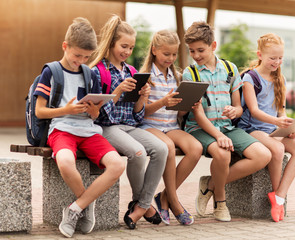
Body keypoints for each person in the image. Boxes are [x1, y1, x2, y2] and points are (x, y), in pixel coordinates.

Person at [34, 17, 125, 238]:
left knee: (117, 165)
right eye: (77, 55)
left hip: (88, 130)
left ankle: (76, 206)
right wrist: (65, 110)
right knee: (65, 162)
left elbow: (94, 111)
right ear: (65, 46)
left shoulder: (89, 73)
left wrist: (94, 111)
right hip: (62, 129)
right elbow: (39, 111)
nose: (81, 60)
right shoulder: (51, 72)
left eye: (86, 57)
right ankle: (86, 201)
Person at [182, 21, 272, 222]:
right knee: (222, 154)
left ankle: (211, 184)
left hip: (227, 127)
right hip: (200, 128)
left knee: (262, 155)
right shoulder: (191, 73)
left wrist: (235, 110)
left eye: (201, 50)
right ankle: (220, 203)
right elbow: (197, 115)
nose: (196, 56)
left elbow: (239, 108)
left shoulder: (230, 69)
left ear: (213, 46)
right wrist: (218, 136)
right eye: (192, 51)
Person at [88, 15, 167, 229]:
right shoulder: (97, 72)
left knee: (161, 149)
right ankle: (145, 206)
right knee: (138, 153)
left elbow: (137, 116)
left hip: (129, 126)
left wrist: (142, 97)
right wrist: (117, 91)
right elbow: (98, 114)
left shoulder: (132, 71)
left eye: (131, 48)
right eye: (124, 46)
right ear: (112, 43)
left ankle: (140, 204)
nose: (127, 52)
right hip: (107, 127)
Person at [237, 33, 295, 222]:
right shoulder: (250, 78)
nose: (277, 62)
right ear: (260, 55)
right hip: (252, 128)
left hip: (272, 130)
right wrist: (277, 122)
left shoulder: (280, 79)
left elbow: (281, 111)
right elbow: (254, 111)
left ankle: (279, 196)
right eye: (272, 58)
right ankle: (277, 199)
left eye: (280, 58)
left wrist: (288, 126)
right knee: (277, 148)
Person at [139, 30, 202, 225]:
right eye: (167, 54)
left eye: (174, 54)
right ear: (154, 50)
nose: (171, 58)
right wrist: (163, 102)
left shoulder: (177, 76)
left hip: (172, 125)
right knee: (167, 148)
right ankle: (174, 202)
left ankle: (164, 196)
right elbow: (141, 113)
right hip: (150, 125)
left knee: (196, 148)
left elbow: (179, 114)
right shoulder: (145, 76)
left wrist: (188, 105)